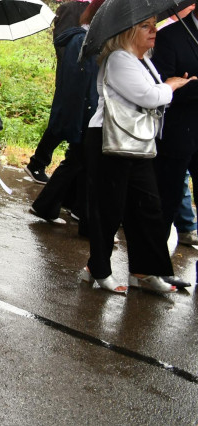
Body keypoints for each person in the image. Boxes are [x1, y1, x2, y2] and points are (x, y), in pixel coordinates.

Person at [81, 16, 194, 294]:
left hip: (138, 142)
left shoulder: (141, 59)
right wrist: (171, 86)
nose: (154, 31)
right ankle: (98, 269)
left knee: (148, 207)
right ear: (129, 31)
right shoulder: (119, 58)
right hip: (111, 140)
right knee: (109, 208)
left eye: (154, 25)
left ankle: (146, 271)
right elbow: (148, 96)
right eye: (146, 26)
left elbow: (153, 93)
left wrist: (164, 87)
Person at [30, 0, 104, 228]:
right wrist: (80, 121)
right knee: (77, 160)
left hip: (87, 114)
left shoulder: (90, 41)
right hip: (84, 115)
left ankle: (68, 205)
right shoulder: (81, 42)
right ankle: (48, 205)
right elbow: (77, 87)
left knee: (80, 161)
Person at [25, 0, 89, 183]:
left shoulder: (105, 5)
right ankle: (38, 162)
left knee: (75, 121)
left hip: (89, 77)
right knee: (62, 119)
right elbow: (62, 43)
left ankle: (51, 162)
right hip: (72, 76)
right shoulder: (73, 8)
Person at [152, 0, 198, 248]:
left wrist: (190, 82)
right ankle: (152, 269)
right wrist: (186, 86)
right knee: (165, 202)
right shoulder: (170, 36)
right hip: (177, 135)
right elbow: (165, 86)